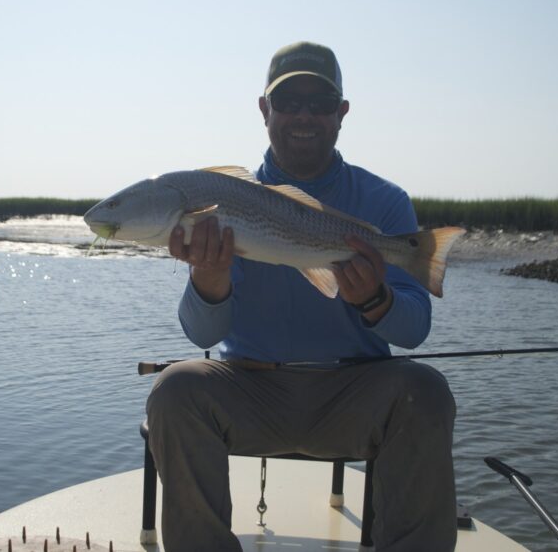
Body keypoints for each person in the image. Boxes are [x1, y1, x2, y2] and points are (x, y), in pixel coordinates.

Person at [146, 41, 457, 552]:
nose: (304, 116)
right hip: (250, 389)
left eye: (320, 103)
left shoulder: (384, 201)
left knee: (424, 391)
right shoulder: (224, 201)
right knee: (176, 388)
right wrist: (210, 278)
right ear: (265, 110)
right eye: (289, 102)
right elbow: (202, 334)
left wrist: (376, 300)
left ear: (342, 113)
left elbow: (414, 331)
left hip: (356, 390)